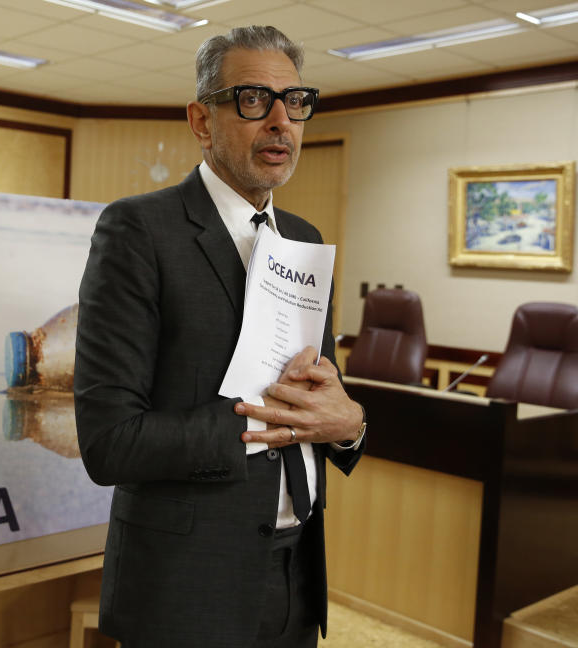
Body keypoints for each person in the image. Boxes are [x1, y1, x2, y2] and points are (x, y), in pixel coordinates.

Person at [74, 25, 367, 648]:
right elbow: (109, 443)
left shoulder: (306, 240)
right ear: (202, 121)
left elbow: (323, 398)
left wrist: (350, 426)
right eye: (253, 100)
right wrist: (264, 426)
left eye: (295, 102)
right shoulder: (139, 231)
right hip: (185, 586)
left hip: (295, 573)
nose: (281, 122)